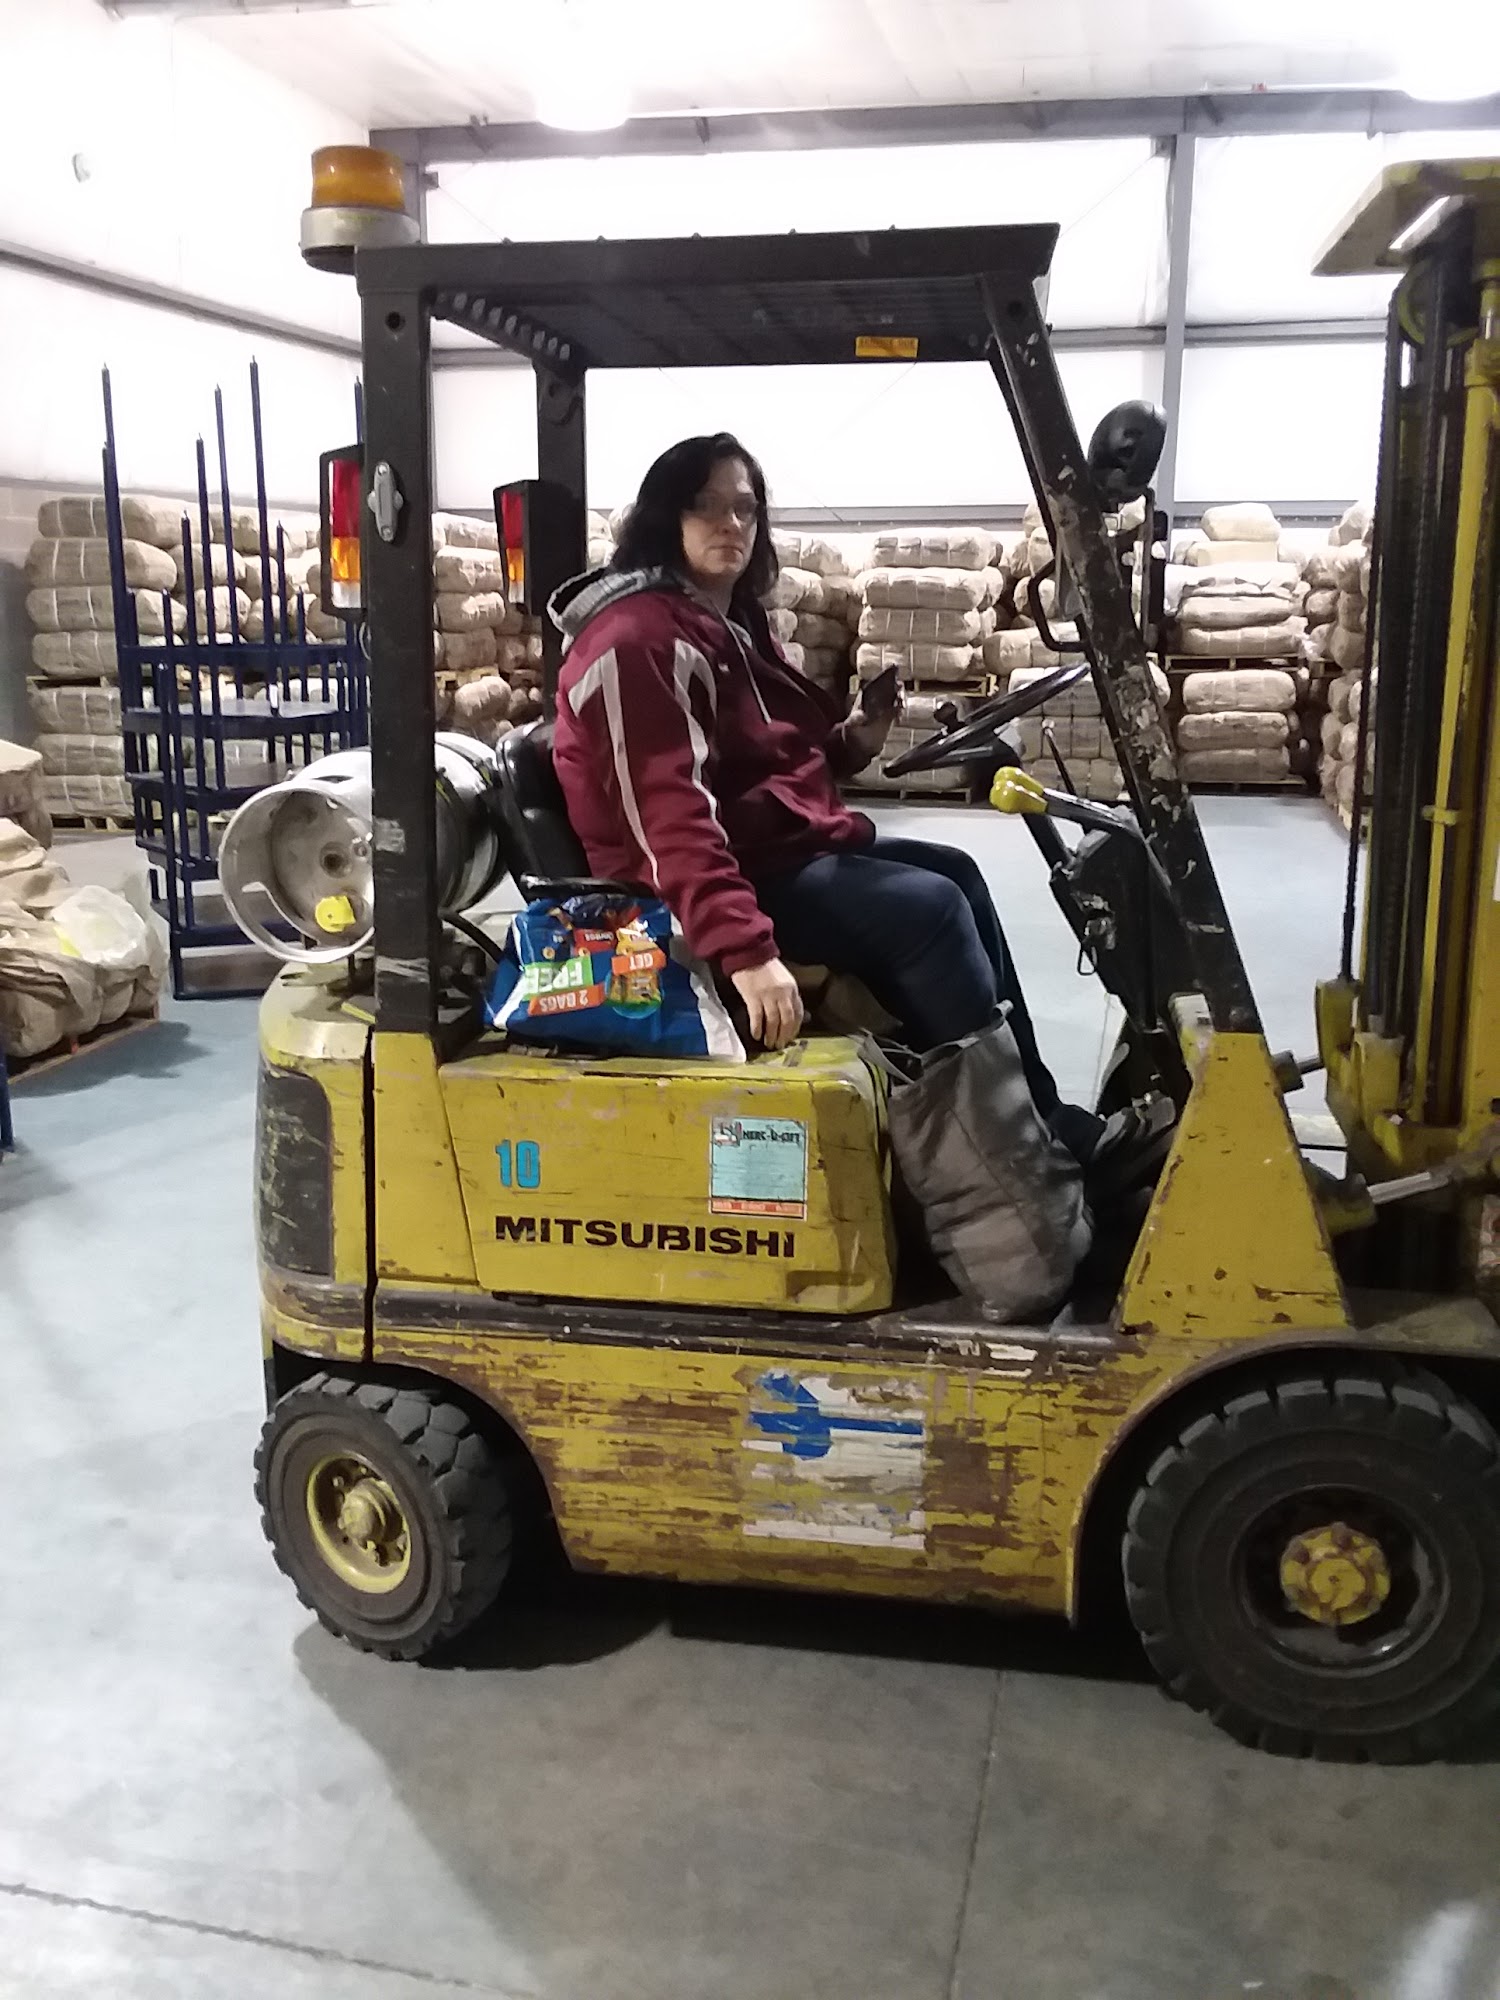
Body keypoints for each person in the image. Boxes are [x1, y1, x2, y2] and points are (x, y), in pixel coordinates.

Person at [550, 432, 1107, 1163]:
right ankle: (1012, 1150)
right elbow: (665, 818)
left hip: (762, 852)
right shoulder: (637, 640)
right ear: (664, 516)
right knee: (931, 912)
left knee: (958, 873)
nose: (731, 524)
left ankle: (1039, 1111)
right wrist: (746, 950)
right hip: (674, 895)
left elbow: (763, 759)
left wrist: (851, 742)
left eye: (745, 509)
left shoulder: (723, 622)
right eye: (706, 506)